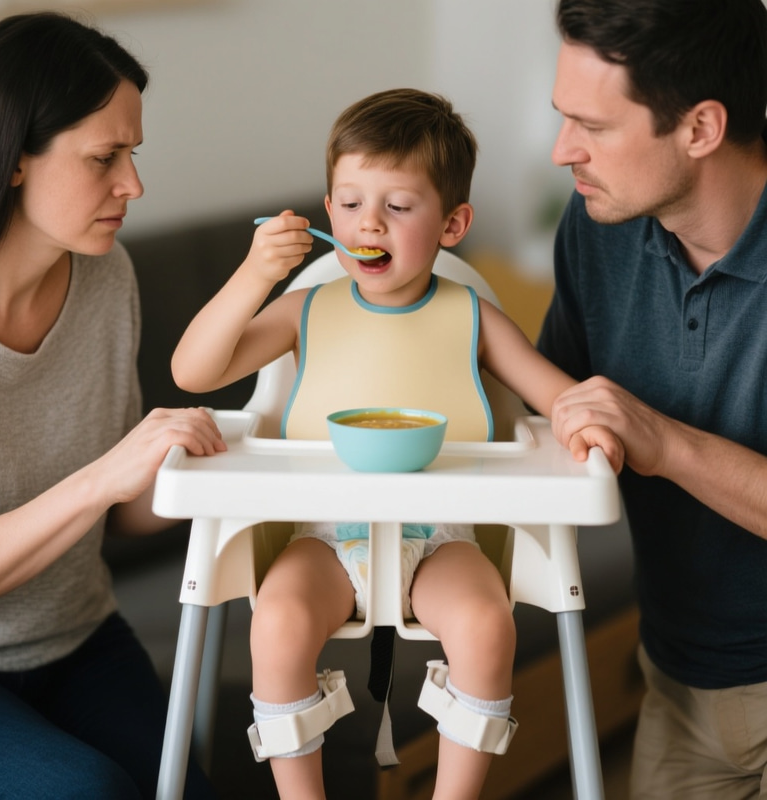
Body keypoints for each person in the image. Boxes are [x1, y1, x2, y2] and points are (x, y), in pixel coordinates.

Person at [172, 87, 623, 800]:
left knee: (484, 623)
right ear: (328, 212)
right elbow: (193, 370)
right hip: (323, 536)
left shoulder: (473, 317)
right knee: (281, 620)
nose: (367, 224)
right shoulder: (306, 311)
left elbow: (555, 397)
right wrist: (258, 275)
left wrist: (583, 422)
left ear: (452, 223)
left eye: (398, 207)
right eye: (349, 203)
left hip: (440, 539)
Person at [0, 12, 226, 799]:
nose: (133, 185)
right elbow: (101, 488)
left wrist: (219, 456)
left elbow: (128, 516)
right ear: (14, 157)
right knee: (85, 790)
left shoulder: (107, 278)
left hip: (81, 636)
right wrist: (105, 476)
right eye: (104, 157)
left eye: (133, 154)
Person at [542, 1, 767, 797]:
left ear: (701, 127)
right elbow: (548, 413)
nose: (562, 150)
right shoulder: (598, 225)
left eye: (592, 127)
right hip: (681, 682)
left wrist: (664, 444)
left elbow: (644, 436)